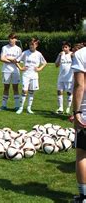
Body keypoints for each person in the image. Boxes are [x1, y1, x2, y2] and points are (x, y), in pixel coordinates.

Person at [15, 38, 46, 114]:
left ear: (36, 45)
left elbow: (45, 62)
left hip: (34, 75)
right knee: (24, 91)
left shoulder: (39, 54)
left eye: (33, 44)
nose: (31, 46)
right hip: (26, 75)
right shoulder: (25, 53)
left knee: (31, 91)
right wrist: (21, 68)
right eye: (30, 44)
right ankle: (21, 107)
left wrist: (39, 69)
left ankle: (29, 108)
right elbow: (16, 60)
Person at [72, 46, 86, 202]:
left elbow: (79, 85)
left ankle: (84, 196)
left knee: (82, 154)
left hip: (85, 112)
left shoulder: (81, 54)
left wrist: (76, 113)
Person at [0, 33, 22, 110]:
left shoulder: (18, 49)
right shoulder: (4, 48)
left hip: (15, 71)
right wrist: (11, 60)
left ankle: (17, 106)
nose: (11, 40)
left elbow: (18, 60)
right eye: (10, 38)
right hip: (6, 70)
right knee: (6, 88)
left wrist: (8, 58)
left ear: (16, 39)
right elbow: (2, 58)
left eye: (12, 38)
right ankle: (3, 105)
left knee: (15, 88)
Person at [55, 41, 73, 114]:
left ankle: (68, 107)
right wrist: (59, 56)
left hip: (70, 78)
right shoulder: (60, 55)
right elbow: (56, 65)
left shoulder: (72, 55)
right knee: (59, 92)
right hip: (61, 77)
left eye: (66, 47)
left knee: (69, 93)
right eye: (63, 47)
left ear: (69, 47)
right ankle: (60, 108)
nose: (64, 49)